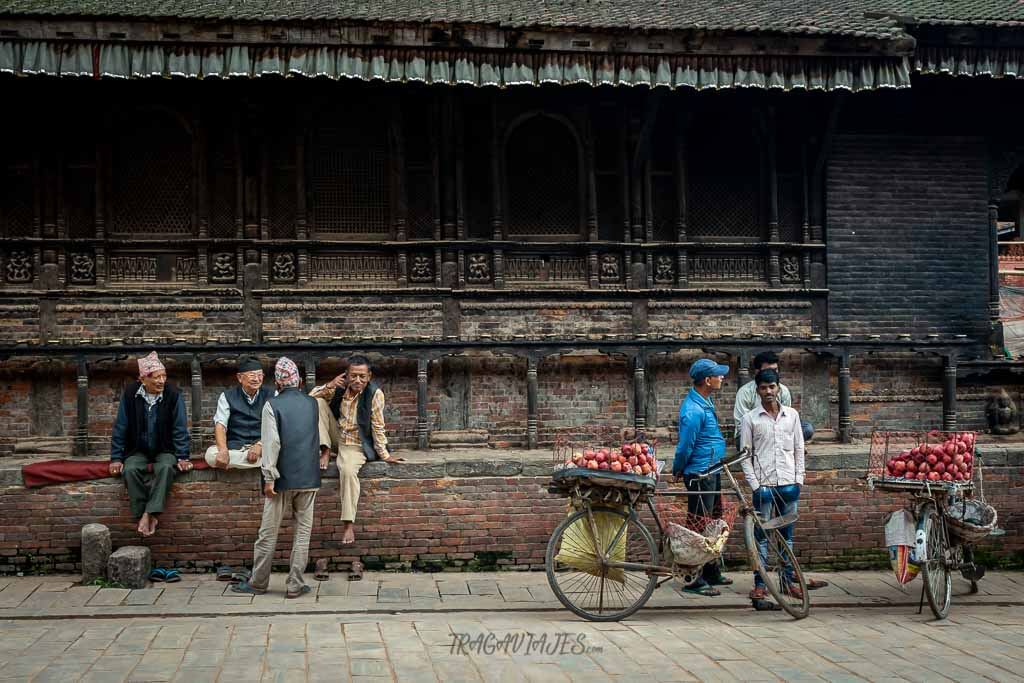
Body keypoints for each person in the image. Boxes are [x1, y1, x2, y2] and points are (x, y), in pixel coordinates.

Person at [232, 357, 324, 599]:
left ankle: (258, 582)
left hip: (281, 480)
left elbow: (271, 444)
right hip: (309, 477)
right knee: (303, 533)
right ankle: (295, 585)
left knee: (268, 533)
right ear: (300, 381)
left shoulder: (272, 405)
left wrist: (269, 477)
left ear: (278, 383)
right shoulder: (313, 403)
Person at [738, 368, 827, 603]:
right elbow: (745, 456)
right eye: (763, 388)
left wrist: (799, 479)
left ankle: (787, 583)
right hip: (764, 488)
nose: (768, 392)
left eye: (772, 387)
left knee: (787, 538)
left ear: (779, 388)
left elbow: (799, 448)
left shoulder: (792, 416)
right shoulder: (750, 419)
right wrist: (755, 485)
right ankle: (761, 585)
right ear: (757, 391)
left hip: (789, 485)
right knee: (762, 538)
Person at [310, 355, 403, 545]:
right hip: (337, 438)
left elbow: (378, 426)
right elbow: (307, 399)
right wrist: (330, 385)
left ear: (369, 376)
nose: (357, 380)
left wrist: (384, 454)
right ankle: (325, 450)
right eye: (353, 376)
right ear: (346, 375)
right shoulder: (339, 387)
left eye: (362, 376)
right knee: (317, 403)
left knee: (348, 471)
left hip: (356, 445)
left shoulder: (375, 394)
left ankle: (348, 524)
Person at [108, 351, 192, 537]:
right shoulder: (130, 394)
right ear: (143, 379)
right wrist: (116, 458)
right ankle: (143, 512)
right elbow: (121, 427)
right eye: (156, 377)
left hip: (165, 448)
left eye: (164, 376)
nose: (161, 381)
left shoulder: (173, 394)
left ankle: (149, 513)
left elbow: (180, 428)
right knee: (129, 469)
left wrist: (183, 456)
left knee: (166, 468)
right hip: (137, 449)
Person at [672, 357, 733, 596]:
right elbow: (685, 446)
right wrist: (679, 469)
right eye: (718, 375)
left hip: (711, 469)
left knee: (712, 522)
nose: (722, 378)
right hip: (699, 473)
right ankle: (692, 578)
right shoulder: (693, 410)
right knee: (697, 526)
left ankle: (710, 570)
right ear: (707, 380)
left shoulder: (703, 402)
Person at [204, 355, 271, 470]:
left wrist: (260, 446)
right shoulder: (227, 396)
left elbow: (275, 426)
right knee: (211, 455)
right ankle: (259, 462)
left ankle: (251, 460)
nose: (256, 379)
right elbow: (220, 425)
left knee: (278, 452)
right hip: (235, 447)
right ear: (240, 378)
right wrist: (224, 450)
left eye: (260, 375)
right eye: (252, 375)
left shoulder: (271, 395)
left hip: (261, 447)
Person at [733, 351, 814, 443]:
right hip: (753, 433)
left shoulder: (783, 390)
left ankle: (778, 445)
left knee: (807, 428)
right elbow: (741, 424)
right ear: (757, 372)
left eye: (775, 370)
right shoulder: (745, 392)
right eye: (768, 370)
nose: (773, 373)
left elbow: (787, 419)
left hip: (778, 430)